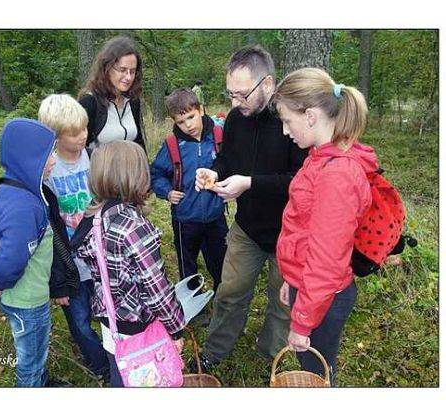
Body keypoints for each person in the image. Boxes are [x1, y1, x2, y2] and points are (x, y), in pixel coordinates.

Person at [193, 45, 308, 371]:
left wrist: (249, 183)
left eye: (242, 94)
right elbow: (228, 159)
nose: (234, 103)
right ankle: (215, 349)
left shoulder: (291, 121)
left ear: (268, 84)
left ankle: (272, 355)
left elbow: (300, 182)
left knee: (282, 301)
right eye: (230, 94)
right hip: (247, 228)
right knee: (230, 290)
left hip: (289, 233)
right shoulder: (235, 119)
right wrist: (215, 171)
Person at [273, 68, 375, 386]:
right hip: (312, 290)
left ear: (312, 116)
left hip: (325, 298)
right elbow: (303, 229)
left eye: (288, 121)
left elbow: (327, 261)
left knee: (315, 372)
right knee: (311, 364)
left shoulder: (337, 174)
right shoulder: (320, 157)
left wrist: (302, 322)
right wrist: (292, 279)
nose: (286, 131)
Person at [74, 140, 185, 387]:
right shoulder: (134, 227)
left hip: (111, 322)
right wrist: (176, 327)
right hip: (139, 327)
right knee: (149, 378)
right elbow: (157, 291)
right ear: (137, 177)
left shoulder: (94, 217)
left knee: (121, 372)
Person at [0, 118, 57, 387]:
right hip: (27, 301)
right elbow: (11, 259)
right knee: (31, 359)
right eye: (49, 153)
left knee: (37, 351)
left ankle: (42, 381)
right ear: (30, 158)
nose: (54, 159)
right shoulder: (24, 206)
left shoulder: (14, 189)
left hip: (25, 296)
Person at [38, 94, 110, 378]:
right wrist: (57, 282)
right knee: (79, 319)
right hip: (69, 261)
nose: (84, 135)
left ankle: (112, 353)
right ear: (55, 137)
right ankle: (100, 365)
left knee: (104, 307)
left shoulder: (94, 157)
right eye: (75, 132)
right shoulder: (47, 171)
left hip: (99, 252)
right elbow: (47, 230)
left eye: (85, 128)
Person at [150, 88, 227, 293]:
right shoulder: (172, 144)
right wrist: (166, 192)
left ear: (201, 110)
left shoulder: (219, 136)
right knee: (188, 266)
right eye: (181, 122)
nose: (188, 125)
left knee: (221, 263)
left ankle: (222, 301)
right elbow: (155, 173)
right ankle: (194, 304)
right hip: (185, 218)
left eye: (191, 117)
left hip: (215, 216)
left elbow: (230, 164)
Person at [79, 36, 147, 152]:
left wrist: (145, 168)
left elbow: (138, 142)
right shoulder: (89, 102)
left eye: (133, 71)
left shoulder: (133, 101)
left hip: (131, 169)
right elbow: (79, 148)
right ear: (107, 68)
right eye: (122, 70)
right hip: (99, 169)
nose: (128, 77)